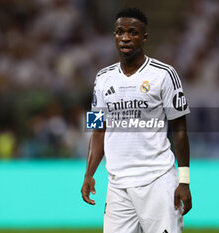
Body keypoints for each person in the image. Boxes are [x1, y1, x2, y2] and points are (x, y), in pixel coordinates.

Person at [81, 7, 192, 233]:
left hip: (157, 180)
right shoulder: (102, 79)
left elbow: (179, 129)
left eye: (132, 32)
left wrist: (184, 180)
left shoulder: (164, 74)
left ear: (144, 37)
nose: (125, 37)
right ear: (114, 36)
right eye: (120, 32)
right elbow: (97, 129)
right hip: (118, 185)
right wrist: (89, 173)